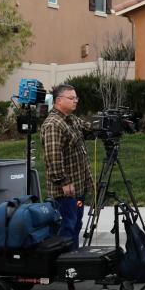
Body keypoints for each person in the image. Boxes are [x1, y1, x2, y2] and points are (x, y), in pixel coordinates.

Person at [41, 84, 95, 251]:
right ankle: (64, 265)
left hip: (77, 187)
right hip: (65, 191)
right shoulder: (53, 124)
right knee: (67, 226)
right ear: (58, 100)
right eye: (71, 98)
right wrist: (63, 181)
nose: (75, 101)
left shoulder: (70, 119)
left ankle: (74, 259)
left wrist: (106, 125)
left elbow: (89, 129)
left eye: (76, 98)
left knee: (75, 224)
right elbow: (53, 156)